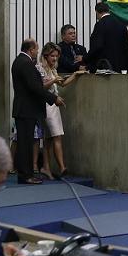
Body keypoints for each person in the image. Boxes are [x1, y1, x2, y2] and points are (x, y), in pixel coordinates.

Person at [12, 38, 63, 183]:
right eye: (36, 49)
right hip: (27, 108)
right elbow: (35, 87)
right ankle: (26, 175)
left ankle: (26, 174)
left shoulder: (19, 61)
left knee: (25, 142)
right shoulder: (26, 63)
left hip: (23, 108)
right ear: (31, 49)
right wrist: (54, 98)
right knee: (26, 144)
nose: (37, 52)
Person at [38, 42, 86, 177]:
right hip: (47, 104)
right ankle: (62, 167)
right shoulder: (40, 68)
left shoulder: (53, 69)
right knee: (57, 135)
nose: (55, 58)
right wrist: (53, 81)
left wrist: (75, 74)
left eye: (56, 56)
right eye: (52, 56)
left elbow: (62, 83)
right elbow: (41, 87)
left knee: (49, 139)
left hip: (53, 105)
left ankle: (46, 167)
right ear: (45, 56)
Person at [86, 2, 128, 72]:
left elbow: (97, 46)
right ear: (109, 10)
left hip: (105, 66)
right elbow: (126, 46)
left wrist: (85, 59)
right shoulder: (121, 24)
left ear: (97, 12)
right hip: (120, 66)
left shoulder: (100, 24)